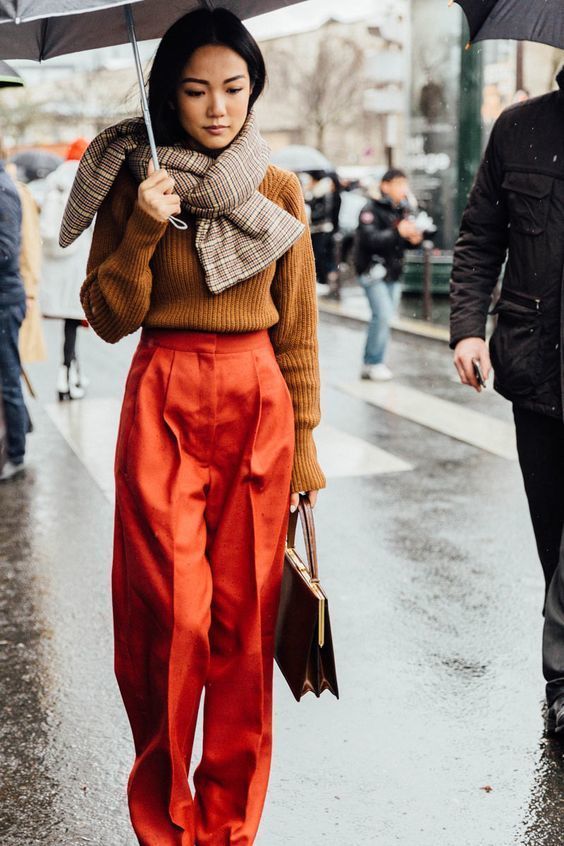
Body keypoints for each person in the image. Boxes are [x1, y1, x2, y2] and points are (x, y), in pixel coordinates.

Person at [60, 9, 325, 845]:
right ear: (168, 96)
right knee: (168, 616)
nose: (218, 108)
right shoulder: (136, 183)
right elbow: (107, 315)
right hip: (163, 393)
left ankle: (229, 826)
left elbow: (299, 327)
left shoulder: (278, 190)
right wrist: (141, 225)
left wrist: (307, 445)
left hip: (258, 402)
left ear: (255, 91)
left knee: (244, 627)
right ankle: (163, 819)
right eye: (197, 89)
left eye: (234, 89)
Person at [450, 67, 564, 735]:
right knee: (552, 538)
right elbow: (479, 238)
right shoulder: (519, 128)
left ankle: (561, 683)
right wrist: (467, 329)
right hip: (535, 371)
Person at [354, 169, 423, 381]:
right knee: (382, 315)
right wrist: (397, 233)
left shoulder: (402, 210)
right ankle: (373, 362)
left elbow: (400, 242)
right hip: (372, 271)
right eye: (398, 184)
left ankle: (373, 361)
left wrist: (414, 238)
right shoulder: (370, 209)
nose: (403, 189)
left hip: (393, 271)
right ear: (385, 185)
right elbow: (370, 239)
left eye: (405, 184)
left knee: (385, 317)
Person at [41, 138, 91, 401]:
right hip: (77, 268)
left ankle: (71, 375)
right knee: (73, 326)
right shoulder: (87, 182)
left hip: (56, 270)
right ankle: (67, 375)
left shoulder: (53, 183)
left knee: (66, 327)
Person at [0, 146, 27, 482]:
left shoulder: (3, 191)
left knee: (9, 382)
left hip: (5, 302)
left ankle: (16, 453)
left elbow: (6, 250)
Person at [305, 169, 341, 297]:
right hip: (320, 230)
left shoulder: (322, 191)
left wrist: (309, 200)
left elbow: (321, 213)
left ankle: (323, 281)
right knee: (321, 256)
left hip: (321, 230)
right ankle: (325, 280)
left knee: (321, 256)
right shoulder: (317, 191)